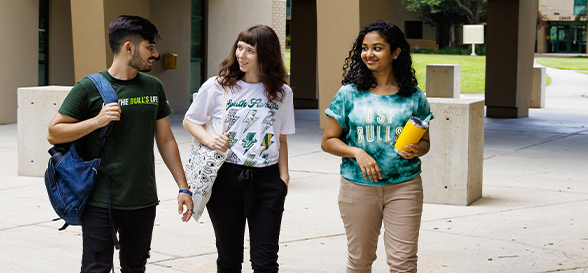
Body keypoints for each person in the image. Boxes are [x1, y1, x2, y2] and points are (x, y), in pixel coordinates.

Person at [46, 15, 193, 273]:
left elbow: (166, 139)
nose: (156, 54)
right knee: (96, 268)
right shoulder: (88, 87)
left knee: (135, 268)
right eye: (150, 46)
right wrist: (96, 121)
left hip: (143, 200)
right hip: (101, 201)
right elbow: (54, 133)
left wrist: (184, 187)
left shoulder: (153, 87)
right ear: (128, 47)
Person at [320, 20, 432, 273]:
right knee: (360, 261)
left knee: (403, 263)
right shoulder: (348, 94)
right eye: (364, 48)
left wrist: (417, 149)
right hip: (357, 187)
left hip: (404, 186)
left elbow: (425, 142)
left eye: (377, 48)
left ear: (395, 52)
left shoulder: (414, 96)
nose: (368, 54)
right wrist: (357, 152)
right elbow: (328, 141)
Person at [183, 24, 295, 273]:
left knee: (266, 262)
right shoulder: (217, 86)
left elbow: (282, 138)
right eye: (239, 48)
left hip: (268, 180)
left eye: (250, 50)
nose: (241, 55)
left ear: (266, 54)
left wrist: (283, 178)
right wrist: (210, 140)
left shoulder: (282, 92)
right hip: (226, 178)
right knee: (229, 259)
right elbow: (190, 121)